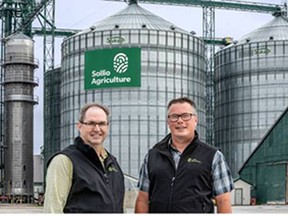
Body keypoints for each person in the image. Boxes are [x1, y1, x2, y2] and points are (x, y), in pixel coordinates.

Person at [135, 97, 234, 213]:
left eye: (186, 116)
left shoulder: (213, 156)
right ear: (168, 122)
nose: (180, 121)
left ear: (195, 120)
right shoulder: (152, 156)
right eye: (174, 117)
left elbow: (223, 201)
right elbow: (142, 199)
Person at [43, 103, 125, 213]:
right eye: (91, 123)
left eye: (101, 124)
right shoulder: (64, 160)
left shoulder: (112, 163)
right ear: (79, 126)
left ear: (107, 126)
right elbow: (52, 210)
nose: (97, 129)